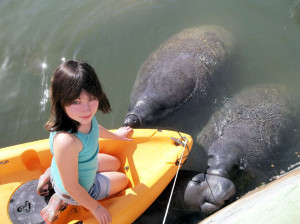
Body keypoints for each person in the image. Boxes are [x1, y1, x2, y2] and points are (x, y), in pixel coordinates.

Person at [37, 60, 133, 224]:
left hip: (70, 167)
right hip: (74, 190)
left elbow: (94, 128)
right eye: (76, 102)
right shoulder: (66, 142)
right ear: (61, 100)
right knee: (124, 180)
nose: (87, 109)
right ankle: (58, 199)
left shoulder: (78, 117)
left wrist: (117, 136)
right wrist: (96, 208)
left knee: (116, 163)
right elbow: (72, 187)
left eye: (91, 98)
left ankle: (50, 174)